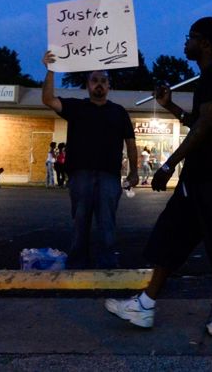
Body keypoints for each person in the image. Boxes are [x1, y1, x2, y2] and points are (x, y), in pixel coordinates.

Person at [105, 17, 212, 336]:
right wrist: (169, 105)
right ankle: (145, 304)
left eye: (190, 37)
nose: (185, 42)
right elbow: (198, 120)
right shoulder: (208, 78)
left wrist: (168, 164)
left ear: (204, 43)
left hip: (211, 180)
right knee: (170, 237)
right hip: (197, 180)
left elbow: (205, 125)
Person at [41, 51, 139, 269]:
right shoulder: (76, 107)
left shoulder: (119, 112)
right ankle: (77, 263)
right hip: (80, 174)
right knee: (80, 222)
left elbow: (131, 143)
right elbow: (48, 99)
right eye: (95, 80)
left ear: (109, 86)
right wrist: (50, 70)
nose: (99, 84)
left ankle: (107, 265)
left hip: (109, 176)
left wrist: (134, 171)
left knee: (107, 224)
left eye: (104, 81)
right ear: (87, 85)